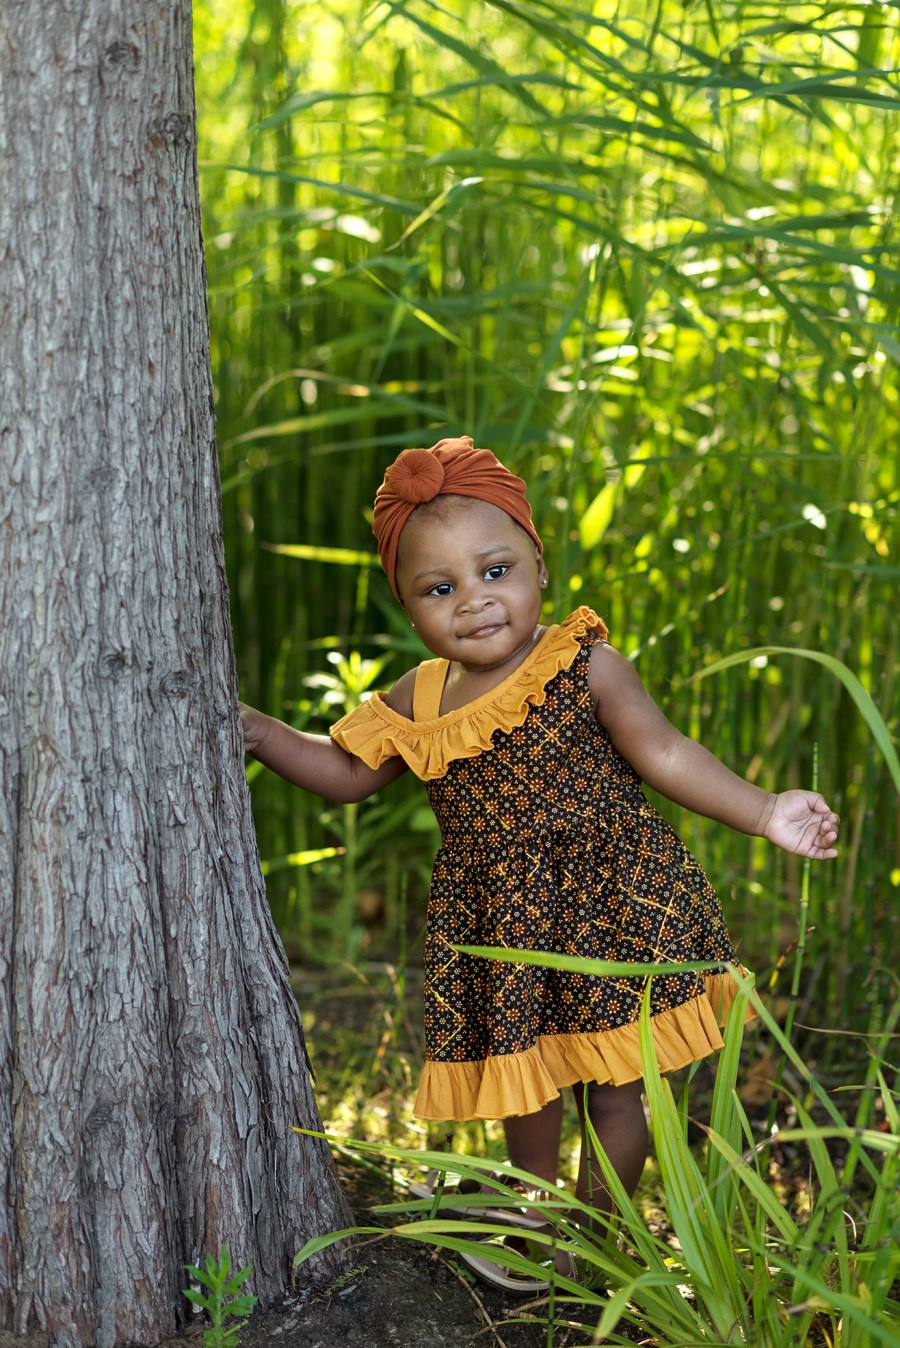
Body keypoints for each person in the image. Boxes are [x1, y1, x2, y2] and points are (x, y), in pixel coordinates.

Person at [240, 435, 839, 1289]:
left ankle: (596, 1235)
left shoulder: (584, 665)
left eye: (495, 571)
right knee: (524, 1083)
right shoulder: (420, 697)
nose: (475, 602)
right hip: (496, 925)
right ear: (409, 609)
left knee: (616, 1089)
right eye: (439, 589)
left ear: (538, 567)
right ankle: (531, 1212)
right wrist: (260, 733)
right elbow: (343, 775)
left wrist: (765, 811)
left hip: (608, 904)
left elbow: (666, 756)